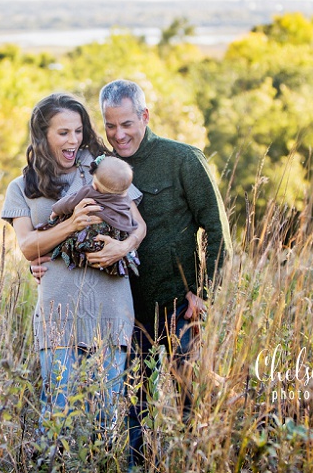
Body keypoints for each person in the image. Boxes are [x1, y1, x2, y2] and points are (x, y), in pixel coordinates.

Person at [98, 79, 233, 468]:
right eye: (110, 126)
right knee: (135, 411)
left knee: (192, 402)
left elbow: (218, 228)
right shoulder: (104, 167)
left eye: (126, 123)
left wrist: (205, 292)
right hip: (128, 312)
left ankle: (198, 462)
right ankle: (141, 465)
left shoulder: (183, 159)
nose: (118, 134)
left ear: (144, 116)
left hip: (180, 306)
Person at [1, 93, 147, 438]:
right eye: (63, 132)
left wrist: (122, 247)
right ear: (43, 135)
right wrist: (71, 225)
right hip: (58, 313)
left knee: (108, 414)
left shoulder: (102, 169)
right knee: (58, 414)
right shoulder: (22, 188)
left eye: (78, 131)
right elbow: (27, 247)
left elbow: (138, 224)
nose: (74, 140)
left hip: (111, 308)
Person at [41, 155, 140, 279]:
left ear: (96, 185)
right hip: (117, 233)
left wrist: (55, 211)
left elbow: (69, 202)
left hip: (93, 231)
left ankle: (75, 257)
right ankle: (118, 266)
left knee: (71, 236)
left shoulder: (88, 191)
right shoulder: (125, 198)